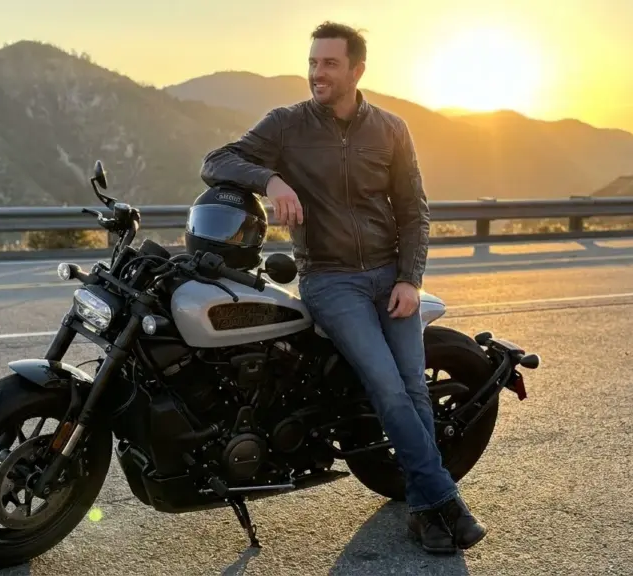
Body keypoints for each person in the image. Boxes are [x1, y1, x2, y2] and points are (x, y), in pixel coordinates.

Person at [198, 21, 487, 554]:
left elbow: (413, 212)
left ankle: (423, 509)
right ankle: (448, 503)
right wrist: (272, 180)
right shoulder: (286, 124)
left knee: (413, 388)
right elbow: (215, 162)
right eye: (312, 62)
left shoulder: (391, 129)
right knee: (388, 388)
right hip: (330, 281)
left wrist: (410, 279)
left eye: (329, 63)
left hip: (390, 276)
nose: (317, 73)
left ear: (356, 70)